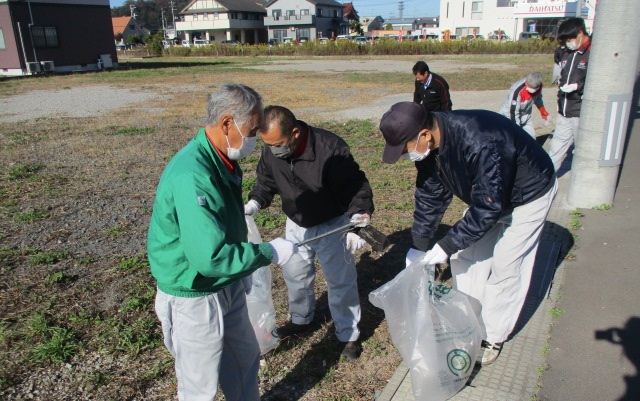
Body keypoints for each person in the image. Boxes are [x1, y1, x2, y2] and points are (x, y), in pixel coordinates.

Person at [147, 84, 298, 401]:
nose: (254, 140)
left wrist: (238, 274)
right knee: (198, 384)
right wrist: (268, 252)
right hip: (195, 292)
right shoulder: (193, 175)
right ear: (227, 123)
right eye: (252, 129)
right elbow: (209, 257)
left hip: (224, 283)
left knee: (244, 359)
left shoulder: (221, 160)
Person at [379, 102, 557, 366]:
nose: (405, 156)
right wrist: (419, 244)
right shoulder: (431, 148)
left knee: (506, 265)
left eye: (405, 150)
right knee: (464, 256)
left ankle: (493, 335)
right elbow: (431, 195)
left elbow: (489, 207)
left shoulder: (481, 141)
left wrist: (447, 243)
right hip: (490, 197)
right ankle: (468, 320)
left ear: (425, 134)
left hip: (528, 193)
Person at [244, 105, 374, 360]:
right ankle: (302, 319)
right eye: (269, 145)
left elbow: (355, 186)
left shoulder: (329, 149)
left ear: (294, 133)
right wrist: (254, 203)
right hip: (296, 222)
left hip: (332, 223)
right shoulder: (272, 149)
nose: (274, 150)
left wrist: (358, 221)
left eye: (278, 144)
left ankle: (348, 335)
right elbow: (265, 181)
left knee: (340, 281)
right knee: (296, 275)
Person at [547, 17, 591, 171]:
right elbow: (560, 71)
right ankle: (547, 179)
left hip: (581, 112)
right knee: (556, 148)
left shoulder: (593, 52)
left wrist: (578, 86)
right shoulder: (566, 52)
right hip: (564, 109)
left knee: (582, 151)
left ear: (581, 33)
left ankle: (583, 181)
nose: (568, 43)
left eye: (570, 39)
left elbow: (601, 80)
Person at [499, 71, 549, 139]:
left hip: (525, 115)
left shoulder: (538, 87)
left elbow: (538, 98)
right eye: (527, 85)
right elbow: (513, 112)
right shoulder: (517, 91)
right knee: (513, 139)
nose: (527, 88)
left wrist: (542, 110)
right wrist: (517, 130)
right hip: (509, 115)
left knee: (531, 139)